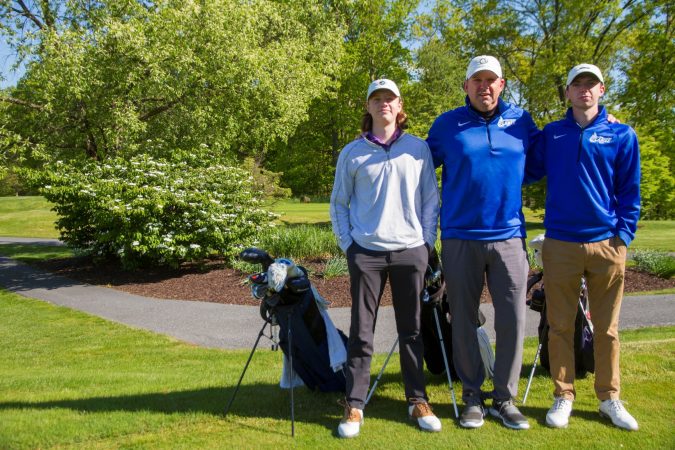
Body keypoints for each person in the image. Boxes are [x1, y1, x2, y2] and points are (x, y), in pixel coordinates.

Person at [426, 55, 539, 430]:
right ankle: (472, 395)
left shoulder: (522, 122)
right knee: (463, 321)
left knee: (512, 320)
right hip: (460, 237)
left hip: (509, 237)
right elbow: (418, 169)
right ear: (466, 86)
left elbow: (547, 158)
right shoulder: (447, 125)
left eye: (491, 80)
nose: (484, 86)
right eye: (477, 80)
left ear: (502, 84)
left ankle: (504, 399)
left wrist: (606, 120)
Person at [526, 64, 641, 431]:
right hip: (560, 242)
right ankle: (563, 395)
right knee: (560, 325)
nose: (584, 91)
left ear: (602, 90)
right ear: (568, 92)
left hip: (606, 243)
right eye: (578, 85)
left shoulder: (621, 134)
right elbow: (525, 167)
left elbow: (630, 192)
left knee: (606, 329)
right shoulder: (553, 134)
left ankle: (609, 398)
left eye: (591, 85)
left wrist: (623, 235)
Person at [330, 78, 441, 438]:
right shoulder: (353, 152)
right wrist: (350, 245)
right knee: (362, 331)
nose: (383, 104)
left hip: (411, 250)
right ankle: (355, 403)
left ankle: (417, 399)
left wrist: (425, 243)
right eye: (376, 99)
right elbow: (339, 204)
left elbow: (430, 200)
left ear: (399, 104)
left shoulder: (418, 148)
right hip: (367, 253)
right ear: (368, 107)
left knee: (411, 330)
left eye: (389, 98)